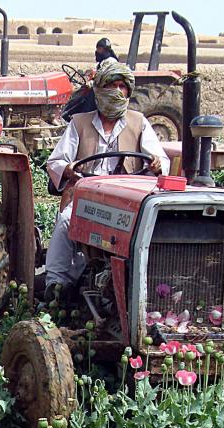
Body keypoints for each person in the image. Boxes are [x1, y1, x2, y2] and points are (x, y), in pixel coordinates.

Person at [45, 61, 170, 291]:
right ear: (100, 89)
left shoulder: (139, 123)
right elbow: (55, 162)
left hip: (126, 200)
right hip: (88, 197)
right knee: (65, 221)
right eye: (112, 85)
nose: (117, 91)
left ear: (128, 91)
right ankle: (56, 285)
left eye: (122, 86)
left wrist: (156, 164)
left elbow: (162, 162)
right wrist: (69, 168)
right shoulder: (79, 123)